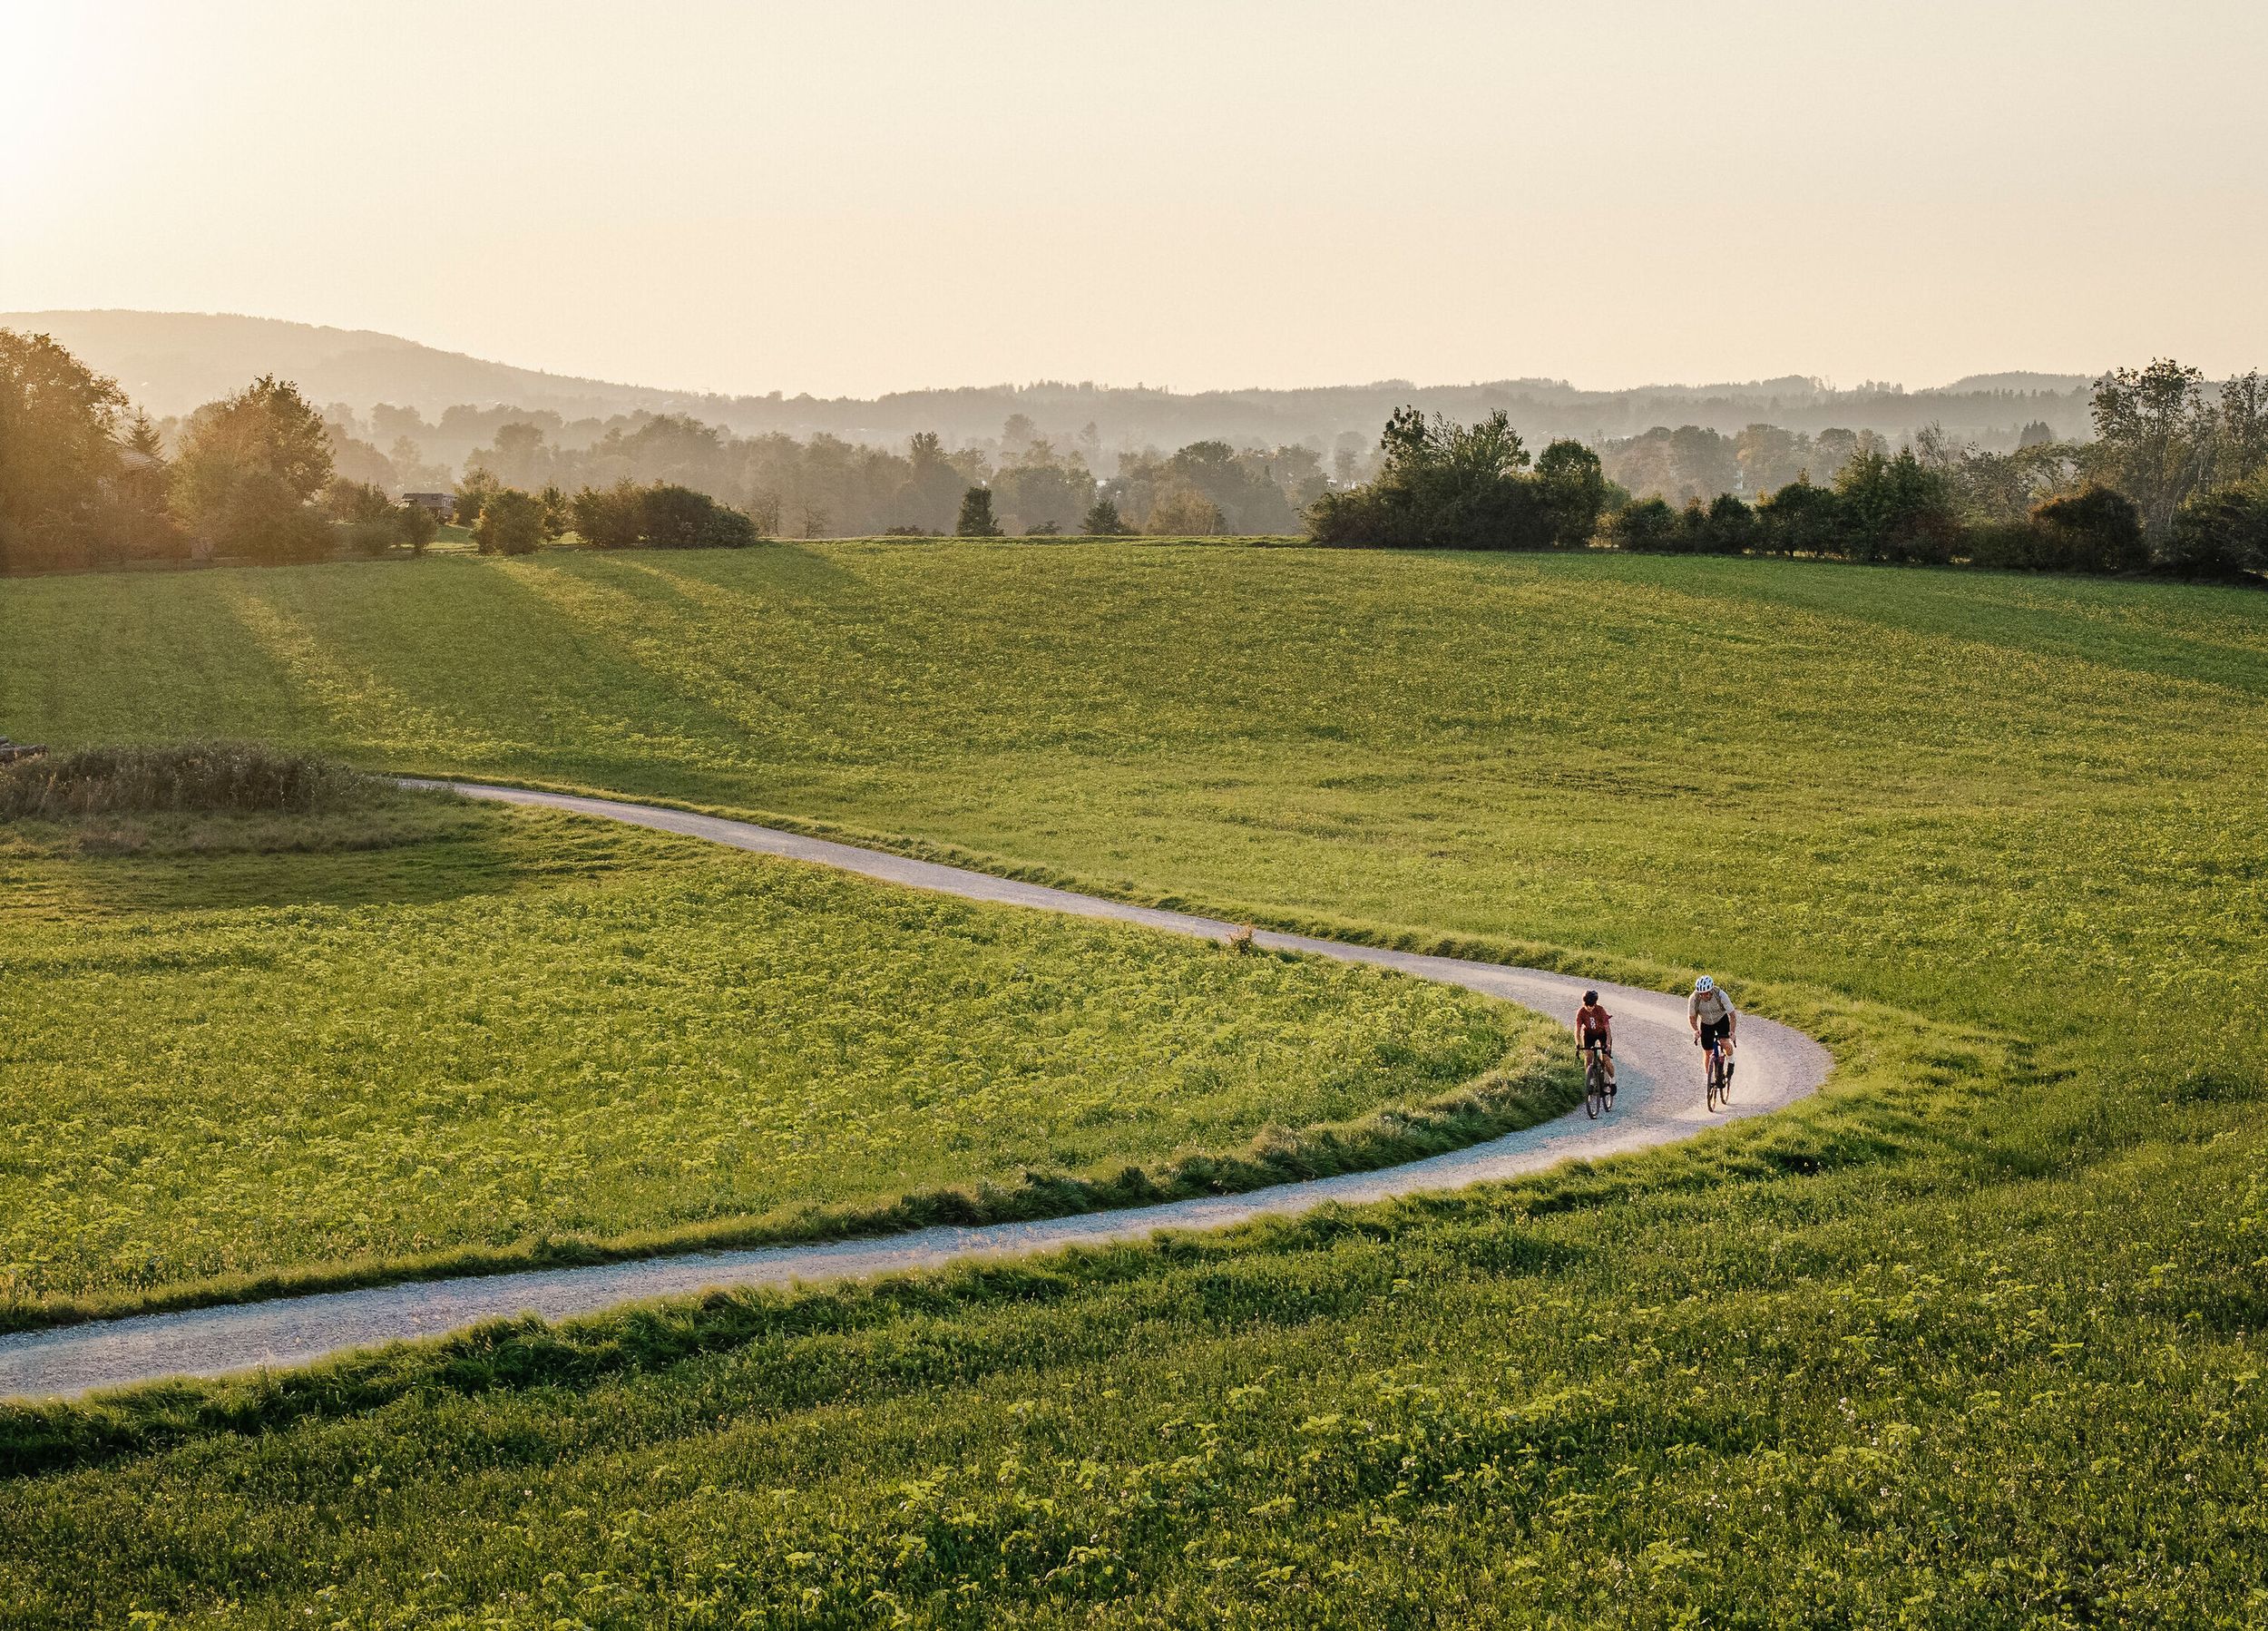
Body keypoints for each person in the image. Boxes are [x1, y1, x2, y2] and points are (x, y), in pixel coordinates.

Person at [1688, 974, 1736, 1089]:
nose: (1704, 996)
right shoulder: (1694, 998)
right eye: (1702, 994)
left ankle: (1731, 1061)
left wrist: (1732, 1032)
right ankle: (1709, 1078)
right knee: (1708, 1051)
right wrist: (1695, 1030)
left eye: (1706, 993)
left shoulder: (1721, 995)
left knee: (1725, 1043)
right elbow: (1692, 1017)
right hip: (1706, 1023)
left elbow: (1732, 1016)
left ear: (1711, 990)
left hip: (1721, 1020)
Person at [1574, 989, 1616, 1092]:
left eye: (1592, 1005)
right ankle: (1591, 1080)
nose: (1589, 1007)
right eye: (1587, 1004)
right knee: (1588, 1056)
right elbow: (1577, 1028)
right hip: (1589, 1034)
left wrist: (1608, 1044)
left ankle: (1612, 1081)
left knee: (1605, 1059)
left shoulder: (1600, 1010)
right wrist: (1577, 1043)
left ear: (1595, 1003)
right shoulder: (1581, 1012)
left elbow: (1608, 1029)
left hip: (1602, 1034)